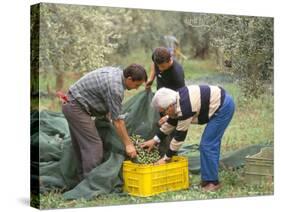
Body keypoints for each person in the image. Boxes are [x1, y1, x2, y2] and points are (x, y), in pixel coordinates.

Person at [141, 85, 235, 192]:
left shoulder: (185, 108)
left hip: (223, 107)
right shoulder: (176, 99)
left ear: (170, 105)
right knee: (209, 144)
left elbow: (179, 137)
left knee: (208, 144)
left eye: (164, 111)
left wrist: (166, 158)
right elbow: (171, 122)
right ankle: (207, 179)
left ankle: (212, 182)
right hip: (218, 102)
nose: (165, 114)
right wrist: (155, 140)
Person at [62, 64, 147, 180]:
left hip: (71, 102)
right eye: (137, 85)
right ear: (129, 79)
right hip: (76, 107)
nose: (137, 88)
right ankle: (91, 184)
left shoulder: (117, 72)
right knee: (93, 145)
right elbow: (117, 121)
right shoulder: (116, 88)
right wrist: (129, 145)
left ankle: (82, 178)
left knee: (81, 144)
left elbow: (106, 102)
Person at [146, 47, 185, 125]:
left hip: (171, 104)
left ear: (170, 60)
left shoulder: (177, 74)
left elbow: (182, 97)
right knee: (159, 124)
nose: (160, 69)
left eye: (163, 67)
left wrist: (168, 116)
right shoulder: (157, 57)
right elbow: (154, 64)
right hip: (160, 98)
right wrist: (151, 79)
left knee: (169, 126)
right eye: (158, 66)